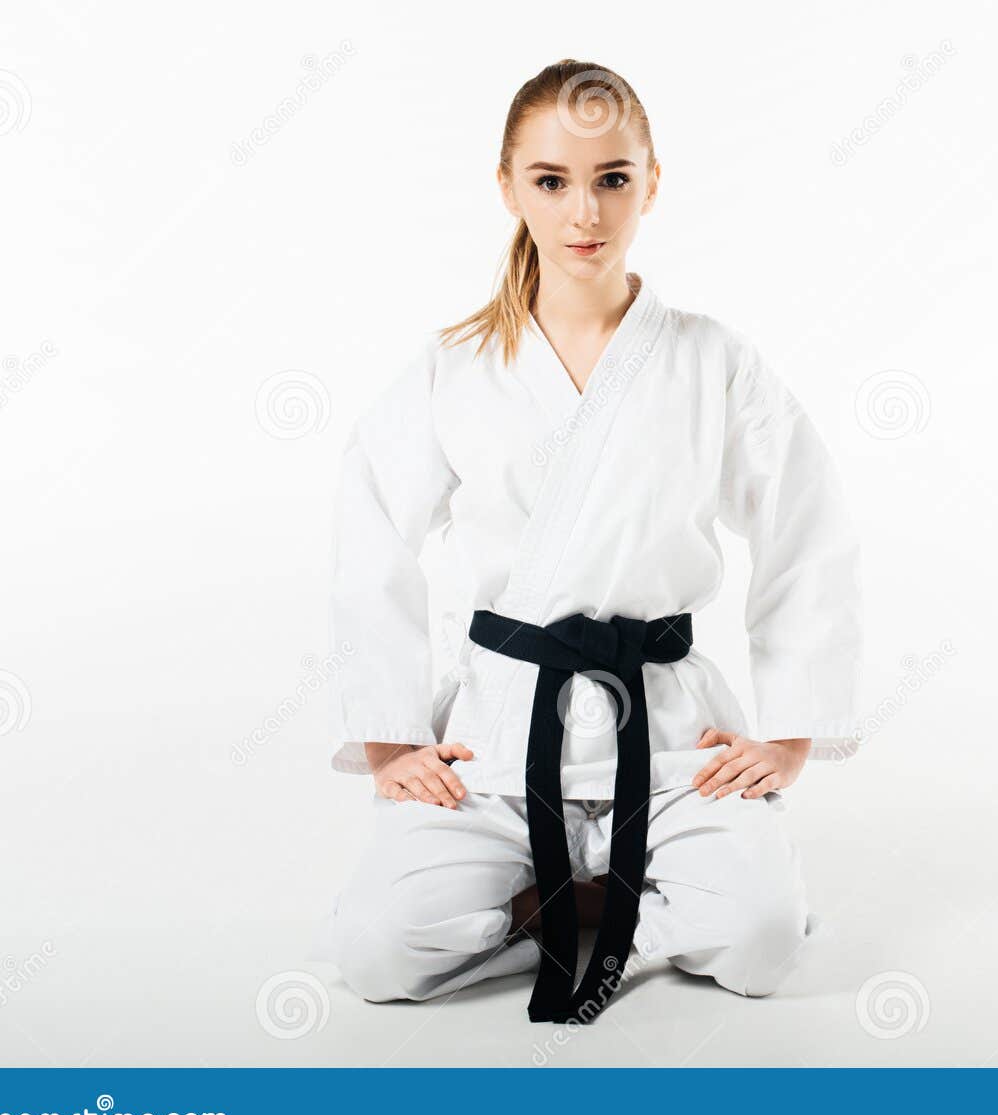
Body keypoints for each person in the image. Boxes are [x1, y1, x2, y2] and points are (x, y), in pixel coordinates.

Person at [308, 59, 863, 1021]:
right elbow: (371, 534)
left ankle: (604, 905)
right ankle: (578, 901)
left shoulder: (711, 360)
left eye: (613, 178)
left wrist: (790, 734)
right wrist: (396, 738)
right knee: (378, 950)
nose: (585, 214)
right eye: (552, 181)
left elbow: (805, 522)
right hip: (498, 731)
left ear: (652, 182)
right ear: (508, 187)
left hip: (672, 733)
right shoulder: (458, 367)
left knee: (765, 939)